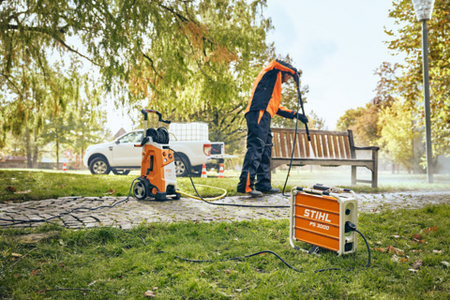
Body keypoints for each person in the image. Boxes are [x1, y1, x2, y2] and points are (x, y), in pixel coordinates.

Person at [237, 59, 308, 197]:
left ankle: (263, 184)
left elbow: (277, 108)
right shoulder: (271, 71)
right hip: (258, 111)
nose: (286, 81)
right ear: (285, 71)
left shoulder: (273, 86)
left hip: (265, 115)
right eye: (287, 77)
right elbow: (276, 62)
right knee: (256, 146)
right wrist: (294, 72)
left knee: (266, 148)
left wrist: (296, 115)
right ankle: (245, 185)